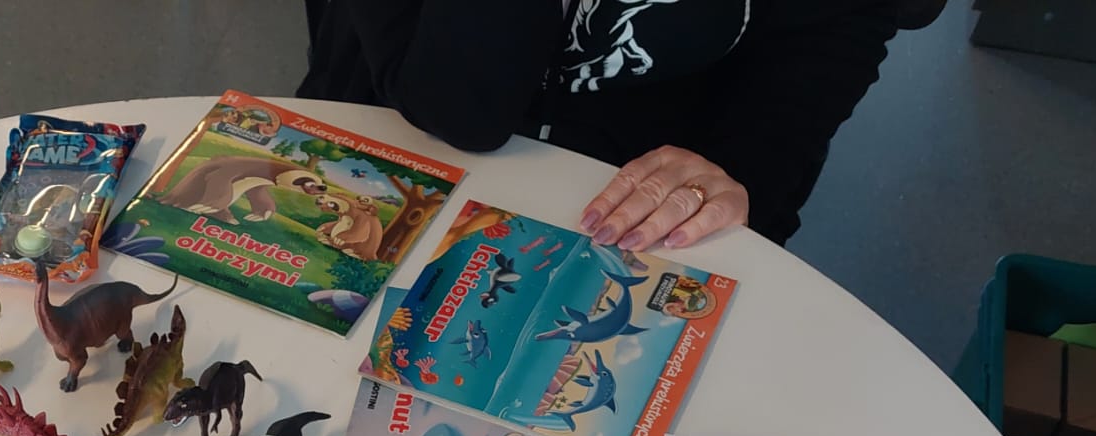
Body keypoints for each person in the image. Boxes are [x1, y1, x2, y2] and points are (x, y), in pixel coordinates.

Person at [298, 0, 940, 249]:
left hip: (634, 190)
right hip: (390, 126)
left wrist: (732, 171)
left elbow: (837, 30)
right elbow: (460, 106)